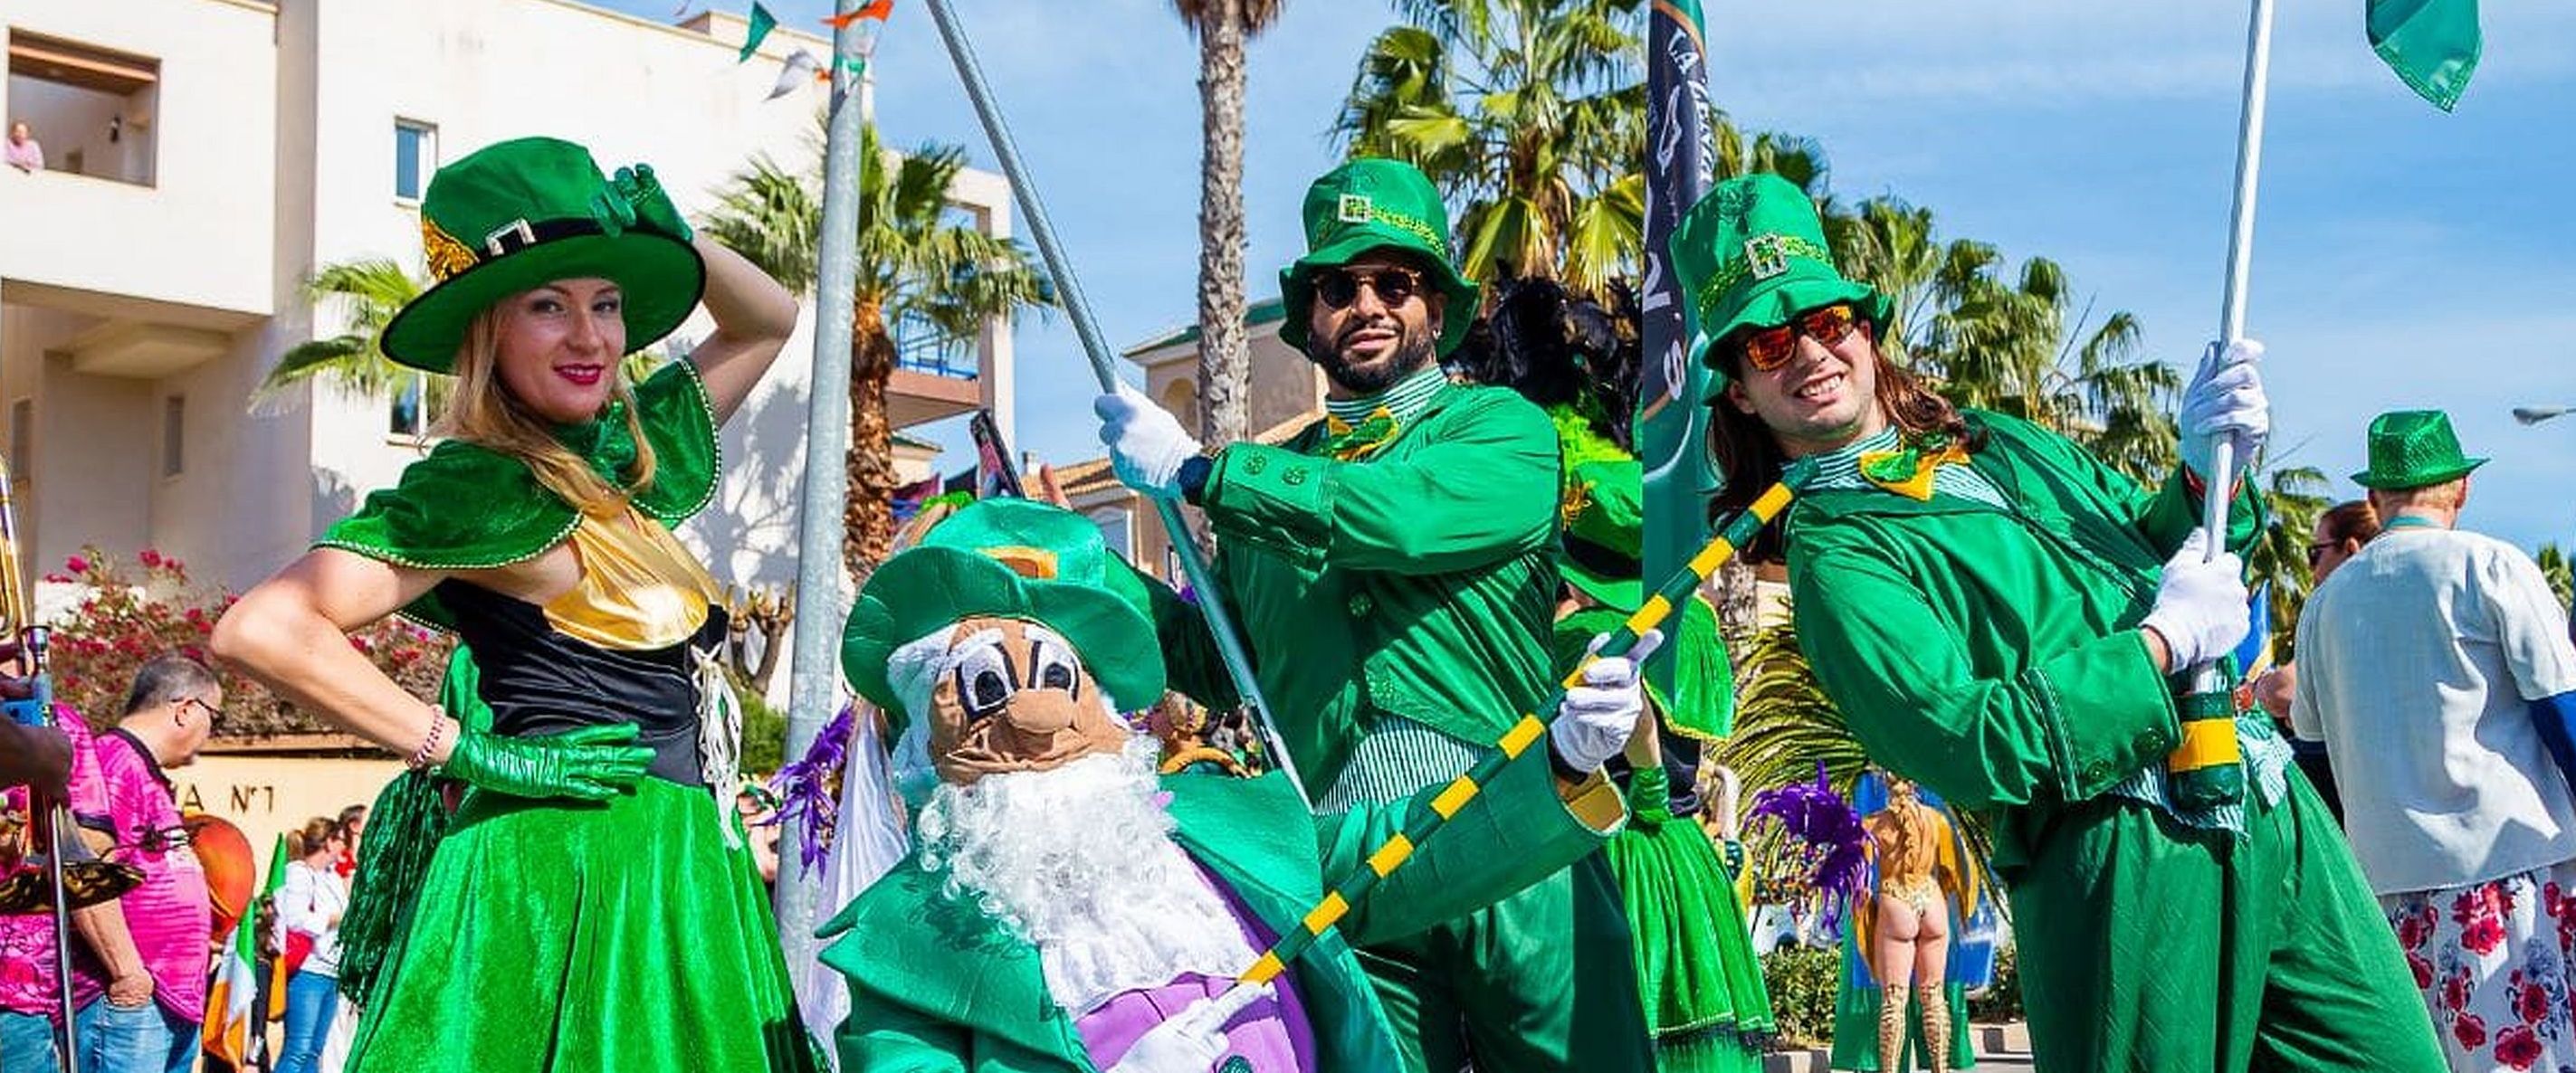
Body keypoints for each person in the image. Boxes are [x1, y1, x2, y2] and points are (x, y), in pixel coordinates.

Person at [1677, 173, 2441, 1071]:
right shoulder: (1833, 552)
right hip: (2118, 843)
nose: (1807, 352)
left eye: (1825, 321)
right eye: (1768, 343)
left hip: (2263, 796)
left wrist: (2205, 474)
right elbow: (1960, 739)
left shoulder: (1997, 439)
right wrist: (2156, 648)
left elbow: (2152, 536)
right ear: (1735, 389)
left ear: (1862, 326)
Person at [211, 136, 814, 1072]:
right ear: (488, 330)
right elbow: (262, 628)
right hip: (571, 871)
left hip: (680, 864)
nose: (591, 337)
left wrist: (678, 237)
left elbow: (768, 319)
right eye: (548, 306)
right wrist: (471, 750)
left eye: (607, 303)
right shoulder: (482, 485)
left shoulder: (624, 462)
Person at [1093, 157, 1653, 1071]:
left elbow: (1399, 515)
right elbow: (1207, 651)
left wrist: (1204, 472)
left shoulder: (1499, 433)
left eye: (1394, 282)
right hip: (1351, 871)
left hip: (1511, 840)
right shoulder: (1268, 487)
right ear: (1308, 316)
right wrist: (1063, 569)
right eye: (1337, 286)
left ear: (1436, 307)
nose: (1367, 304)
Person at [822, 498, 1646, 1072]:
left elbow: (1403, 852)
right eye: (987, 690)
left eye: (1054, 677)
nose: (1035, 717)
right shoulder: (908, 940)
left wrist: (1562, 758)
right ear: (929, 747)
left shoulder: (1228, 827)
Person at [2290, 411, 2576, 1071]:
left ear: (2374, 498)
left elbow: (2312, 758)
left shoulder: (2325, 606)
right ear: (2461, 489)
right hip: (2509, 868)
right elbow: (2561, 712)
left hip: (2385, 892)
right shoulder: (2490, 565)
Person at [76, 655, 220, 1073]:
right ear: (186, 709)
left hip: (165, 999)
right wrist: (127, 974)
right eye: (215, 717)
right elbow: (86, 868)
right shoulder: (111, 763)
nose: (212, 731)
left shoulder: (143, 772)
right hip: (132, 1003)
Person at [2249, 499, 2380, 822]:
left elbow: (2284, 692)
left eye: (2316, 553)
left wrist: (2257, 688)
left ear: (2350, 549)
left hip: (2350, 784)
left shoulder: (2340, 605)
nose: (2312, 568)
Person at [275, 817, 348, 1073]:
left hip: (331, 970)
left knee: (315, 1049)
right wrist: (331, 919)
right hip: (308, 970)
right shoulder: (299, 873)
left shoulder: (332, 878)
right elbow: (294, 919)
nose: (344, 847)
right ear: (328, 842)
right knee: (298, 1048)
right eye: (341, 840)